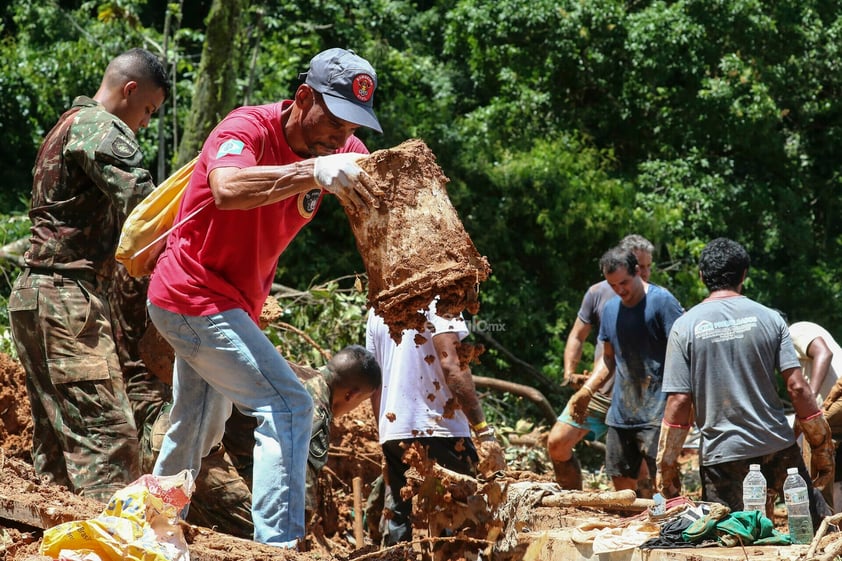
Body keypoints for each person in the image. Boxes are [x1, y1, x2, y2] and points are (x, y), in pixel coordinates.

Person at [146, 47, 384, 548]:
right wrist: (310, 173)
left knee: (195, 426)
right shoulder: (246, 128)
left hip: (229, 306)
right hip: (191, 294)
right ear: (303, 98)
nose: (342, 137)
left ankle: (153, 529)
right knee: (289, 406)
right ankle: (277, 550)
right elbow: (228, 187)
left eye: (353, 126)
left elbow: (390, 188)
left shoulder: (341, 149)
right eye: (336, 119)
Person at [8, 48, 170, 502]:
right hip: (66, 298)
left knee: (57, 447)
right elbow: (147, 205)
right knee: (110, 441)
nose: (145, 123)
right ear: (129, 90)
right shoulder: (101, 126)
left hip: (36, 296)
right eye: (148, 111)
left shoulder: (64, 125)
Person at [657, 238, 834, 526]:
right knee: (813, 530)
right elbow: (798, 388)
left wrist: (666, 466)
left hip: (722, 457)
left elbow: (679, 401)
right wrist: (820, 446)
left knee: (730, 540)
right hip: (778, 448)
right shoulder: (771, 319)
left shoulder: (684, 327)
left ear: (702, 276)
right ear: (744, 275)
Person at [144, 344, 381, 538]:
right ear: (352, 395)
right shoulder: (313, 410)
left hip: (166, 435)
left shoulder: (292, 374)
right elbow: (297, 495)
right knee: (260, 533)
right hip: (197, 452)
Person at [366, 300, 506, 547]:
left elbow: (375, 383)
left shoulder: (380, 307)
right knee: (461, 522)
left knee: (403, 519)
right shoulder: (441, 298)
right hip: (440, 430)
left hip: (395, 432)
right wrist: (483, 431)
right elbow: (452, 365)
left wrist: (384, 437)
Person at [564, 245, 683, 496]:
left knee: (664, 478)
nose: (620, 290)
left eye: (624, 283)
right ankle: (630, 528)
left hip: (657, 408)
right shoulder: (610, 310)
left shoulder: (662, 302)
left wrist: (684, 403)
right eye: (613, 285)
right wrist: (586, 391)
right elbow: (609, 359)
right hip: (622, 410)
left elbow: (683, 353)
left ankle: (670, 527)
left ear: (638, 271)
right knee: (620, 479)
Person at [547, 234, 654, 489]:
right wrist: (571, 373)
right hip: (600, 391)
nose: (644, 272)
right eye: (639, 266)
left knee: (639, 473)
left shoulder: (657, 299)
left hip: (638, 399)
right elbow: (578, 335)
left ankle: (645, 520)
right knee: (558, 443)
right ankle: (572, 502)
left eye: (648, 266)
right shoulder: (597, 293)